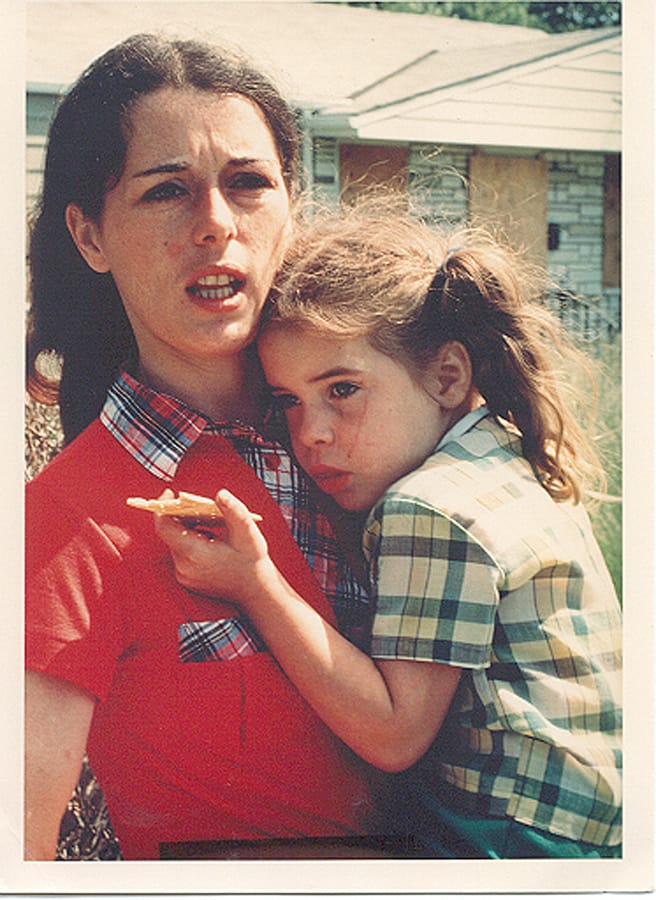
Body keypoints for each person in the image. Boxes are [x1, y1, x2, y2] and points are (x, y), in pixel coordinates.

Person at [156, 201, 623, 859]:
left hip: (509, 840)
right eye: (288, 401)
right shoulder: (506, 459)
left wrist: (254, 583)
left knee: (212, 868)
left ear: (446, 376)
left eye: (342, 390)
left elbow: (394, 735)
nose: (310, 434)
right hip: (585, 833)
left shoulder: (430, 506)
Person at [24, 34, 376, 861]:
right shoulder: (63, 526)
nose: (216, 223)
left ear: (292, 206)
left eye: (248, 183)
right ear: (90, 237)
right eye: (166, 191)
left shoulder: (378, 438)